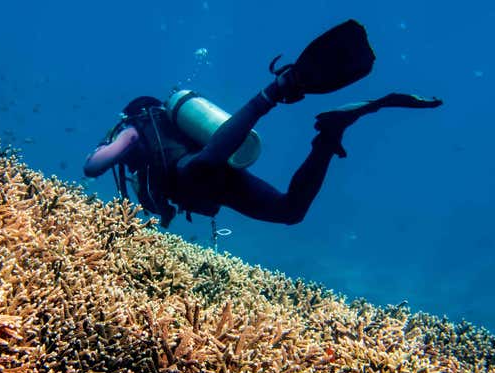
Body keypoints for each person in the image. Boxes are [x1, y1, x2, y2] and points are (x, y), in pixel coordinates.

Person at [83, 20, 442, 228]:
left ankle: (274, 92)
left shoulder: (133, 129)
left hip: (198, 173)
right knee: (290, 211)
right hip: (214, 178)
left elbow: (92, 168)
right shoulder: (162, 125)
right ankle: (328, 135)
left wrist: (112, 145)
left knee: (202, 166)